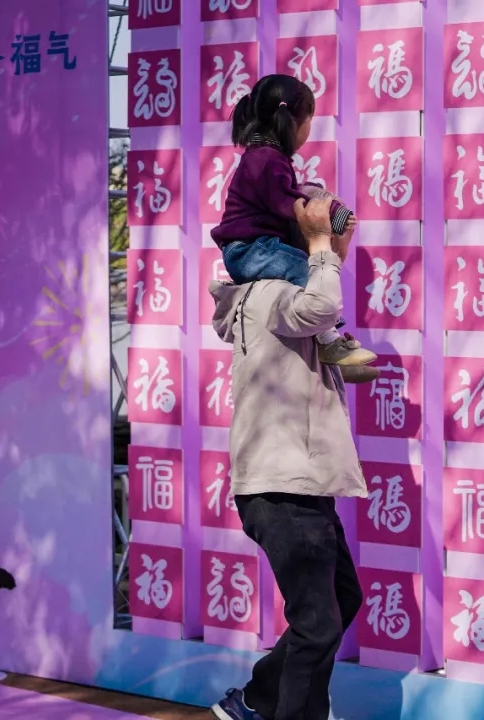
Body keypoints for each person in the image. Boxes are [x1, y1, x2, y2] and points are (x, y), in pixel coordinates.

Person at [208, 196, 367, 720]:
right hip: (282, 485)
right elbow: (321, 307)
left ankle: (254, 701)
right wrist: (321, 246)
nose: (329, 226)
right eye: (314, 217)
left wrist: (330, 252)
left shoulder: (283, 297)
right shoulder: (270, 293)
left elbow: (322, 325)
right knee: (317, 623)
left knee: (339, 599)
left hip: (302, 482)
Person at [210, 73, 377, 374]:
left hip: (254, 248)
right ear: (290, 121)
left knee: (306, 271)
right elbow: (288, 200)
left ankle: (329, 342)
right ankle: (329, 340)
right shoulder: (266, 160)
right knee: (306, 270)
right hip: (249, 249)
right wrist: (331, 215)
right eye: (310, 119)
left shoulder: (265, 158)